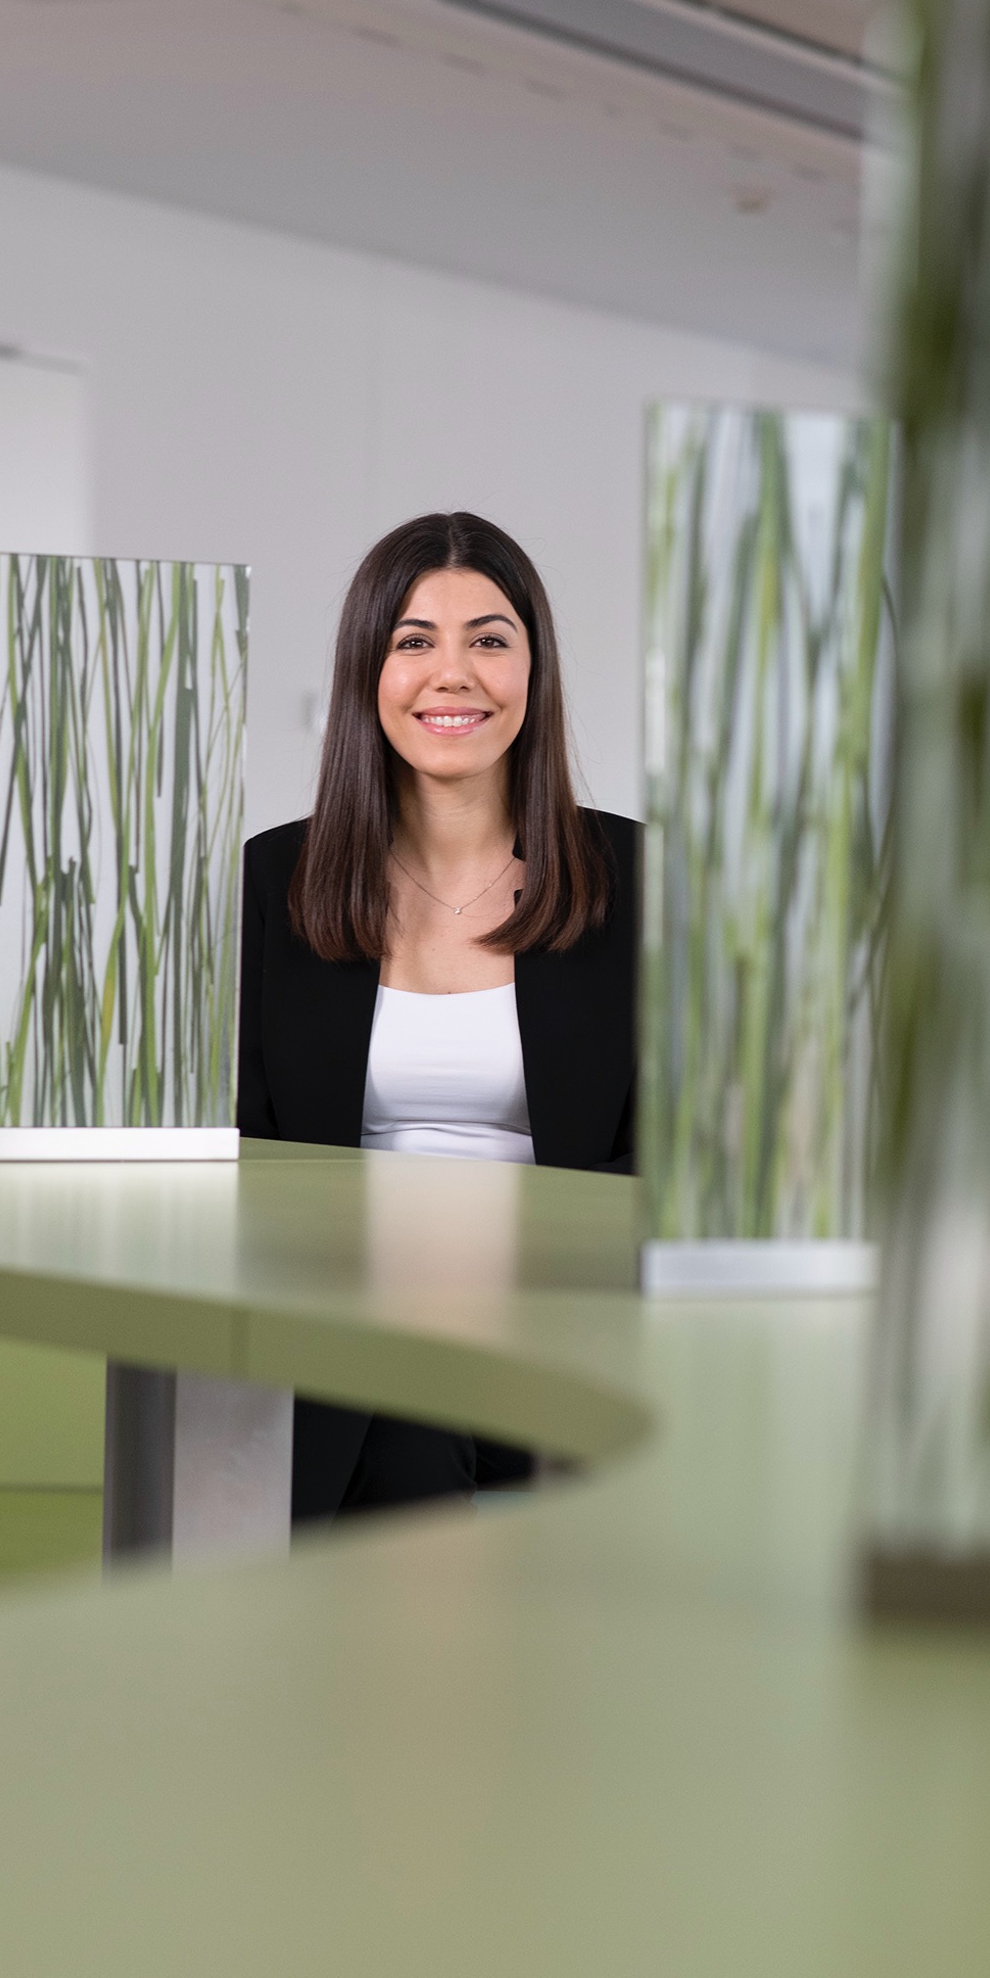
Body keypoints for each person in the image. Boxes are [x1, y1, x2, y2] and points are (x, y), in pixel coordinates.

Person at [237, 511, 637, 1523]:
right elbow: (243, 1143)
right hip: (342, 1318)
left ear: (534, 671)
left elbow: (672, 1154)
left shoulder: (637, 877)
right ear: (367, 673)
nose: (451, 674)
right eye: (413, 641)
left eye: (488, 640)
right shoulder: (275, 878)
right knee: (403, 1419)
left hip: (562, 1313)